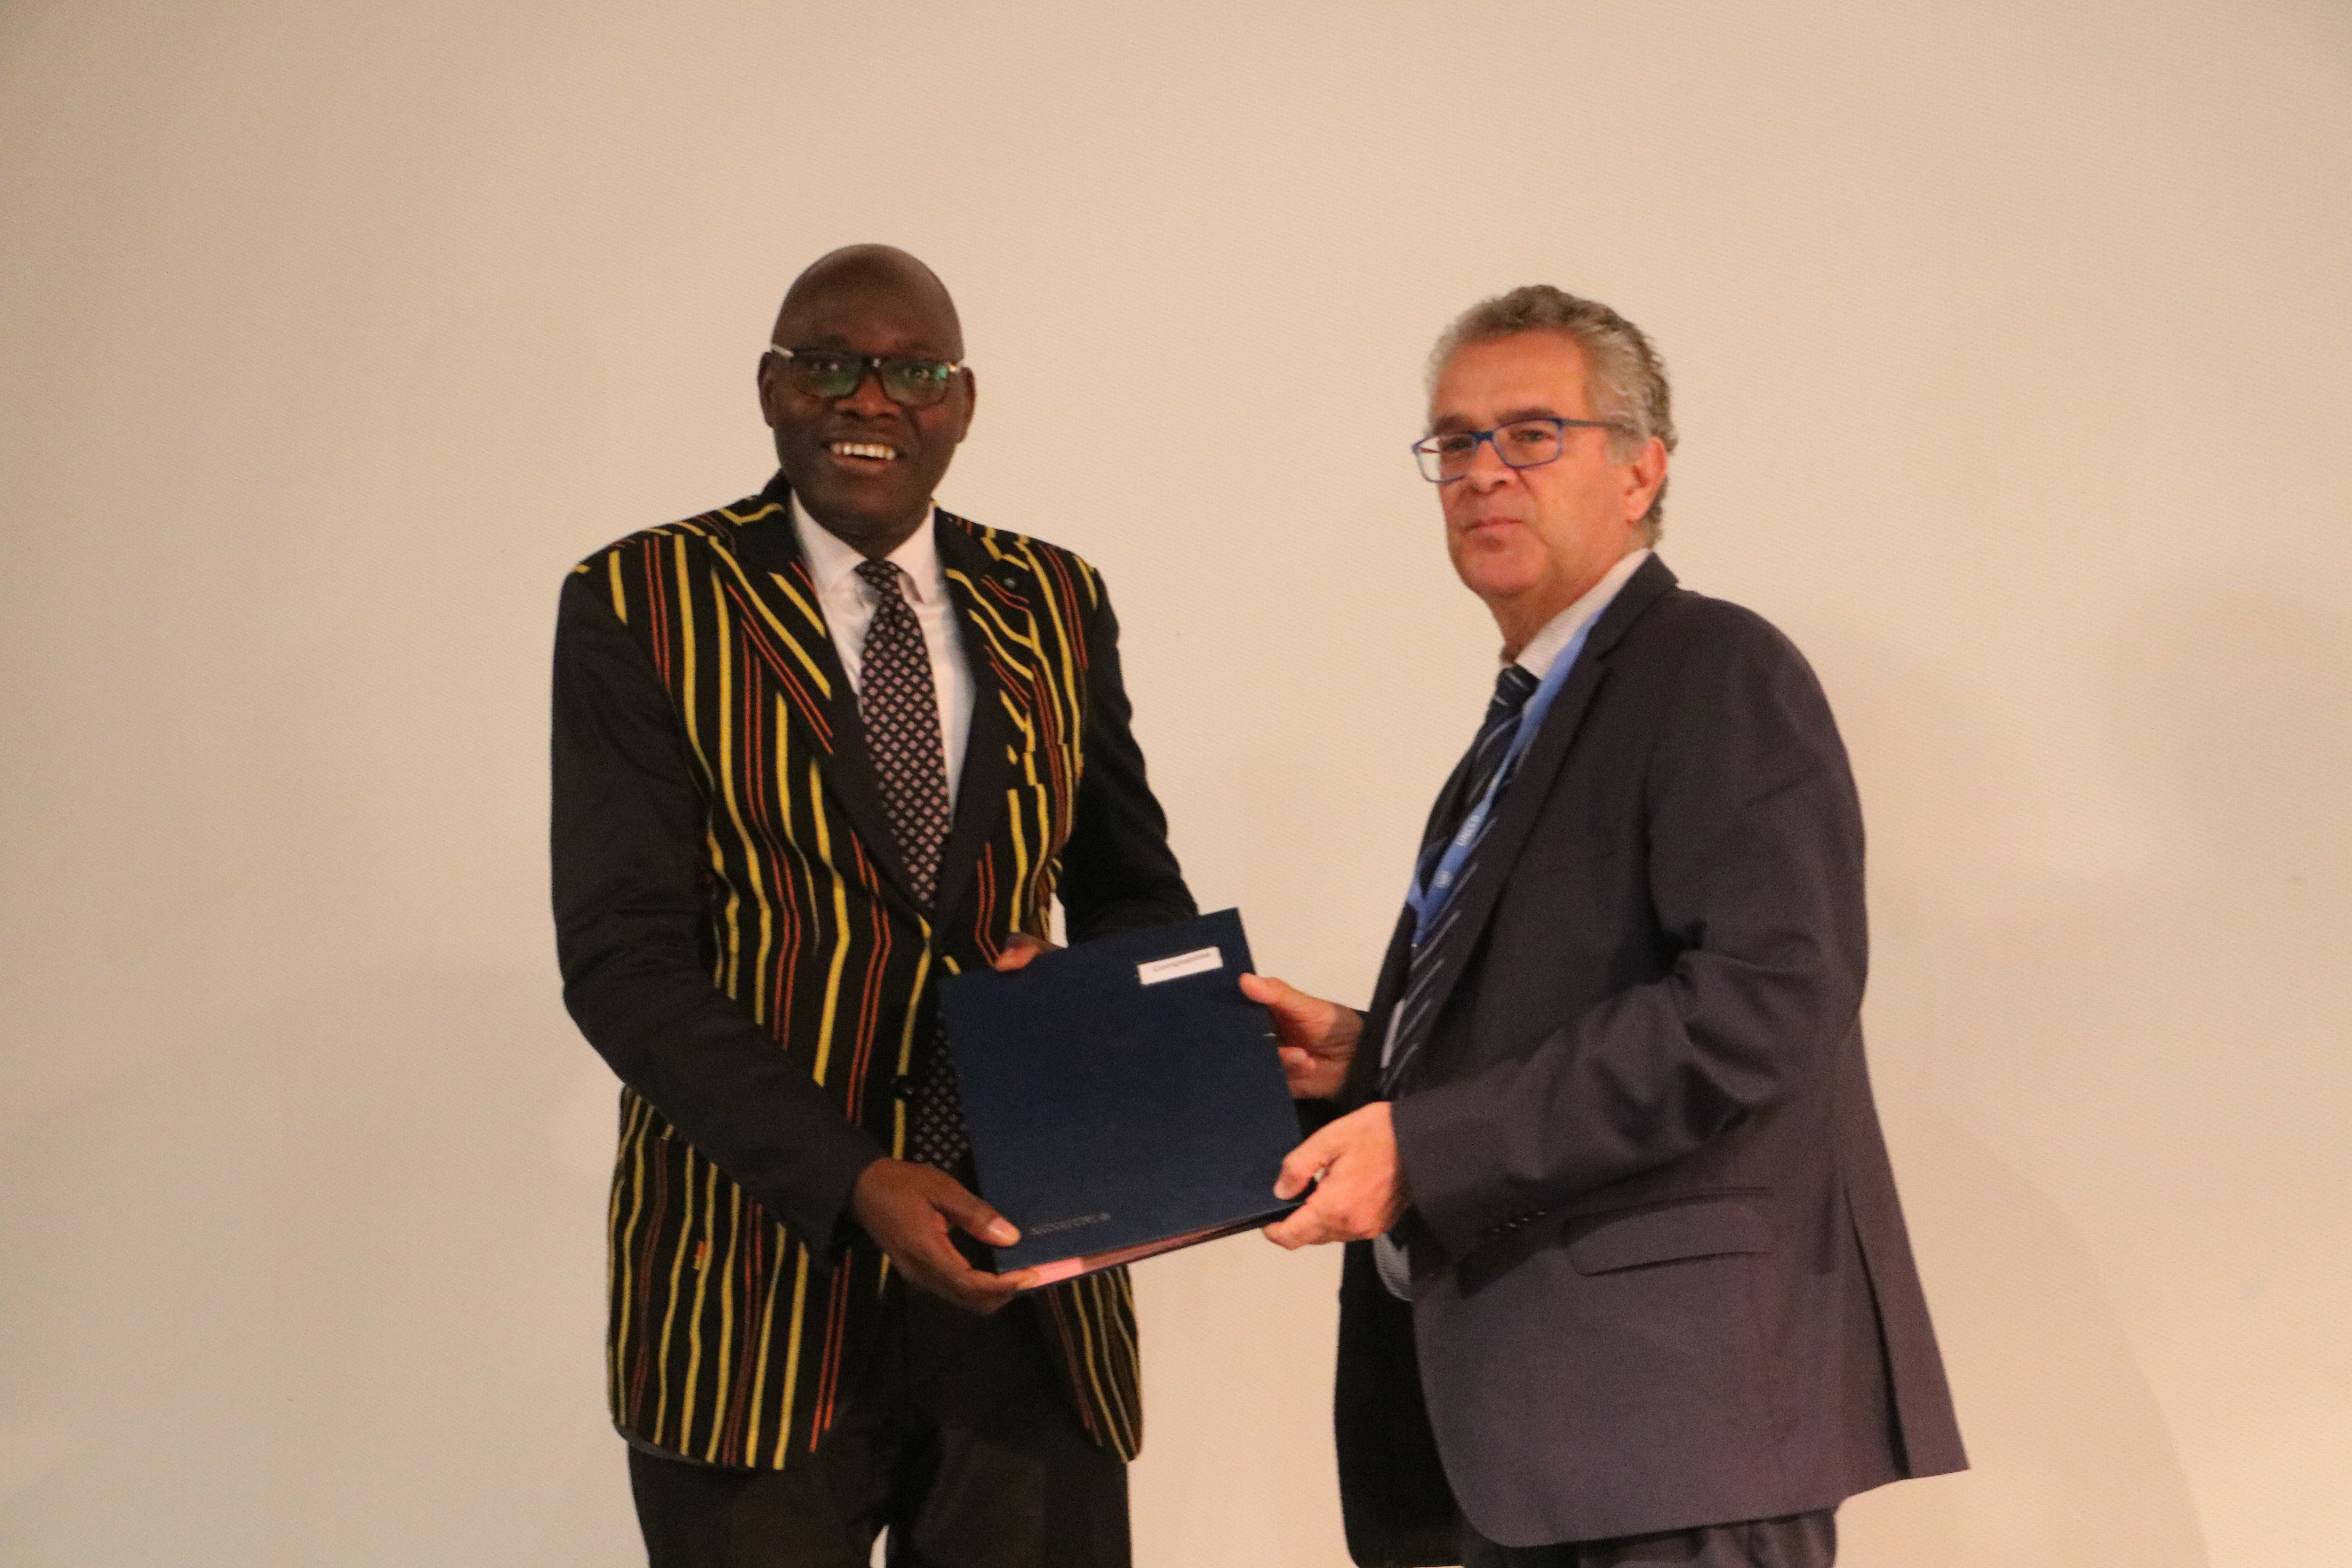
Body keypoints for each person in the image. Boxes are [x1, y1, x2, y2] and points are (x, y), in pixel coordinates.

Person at [1244, 287, 1966, 1568]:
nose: (1483, 472)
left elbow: (1764, 1003)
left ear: (1643, 470)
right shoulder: (1521, 723)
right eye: (1455, 442)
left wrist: (1430, 1142)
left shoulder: (1715, 669)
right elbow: (1568, 996)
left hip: (1671, 1431)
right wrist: (1373, 1059)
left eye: (1532, 435)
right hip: (1523, 1440)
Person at [551, 244, 1194, 1568]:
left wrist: (1117, 1030)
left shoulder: (1052, 599)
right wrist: (853, 1182)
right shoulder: (642, 601)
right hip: (752, 1302)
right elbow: (625, 960)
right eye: (830, 366)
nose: (870, 401)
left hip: (1032, 1283)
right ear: (771, 387)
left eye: (915, 373)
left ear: (962, 403)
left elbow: (1132, 887)